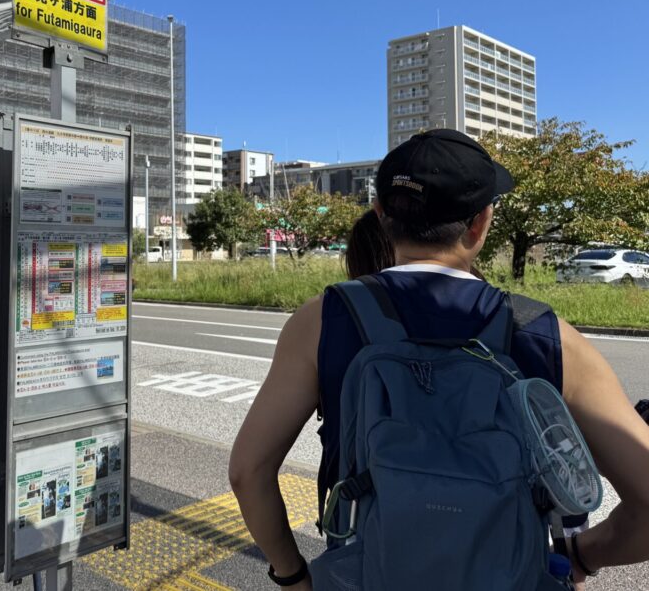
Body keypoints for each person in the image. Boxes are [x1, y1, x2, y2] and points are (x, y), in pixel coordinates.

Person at [230, 129, 649, 589]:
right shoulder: (546, 335)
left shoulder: (323, 320)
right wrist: (580, 556)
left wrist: (292, 576)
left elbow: (249, 472)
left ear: (381, 216)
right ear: (481, 224)